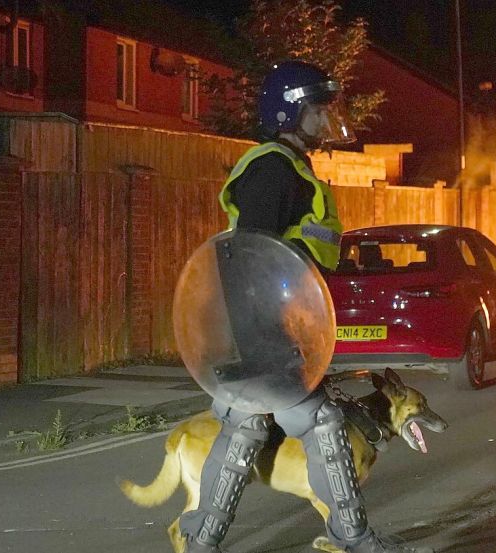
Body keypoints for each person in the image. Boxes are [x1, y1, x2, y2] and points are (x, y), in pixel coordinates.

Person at [179, 61, 433, 553]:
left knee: (244, 426)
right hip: (263, 333)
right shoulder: (271, 170)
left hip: (270, 331)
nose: (327, 118)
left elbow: (294, 258)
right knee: (320, 422)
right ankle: (353, 539)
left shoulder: (290, 167)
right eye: (318, 108)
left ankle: (201, 540)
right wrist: (268, 337)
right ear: (290, 111)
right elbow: (250, 258)